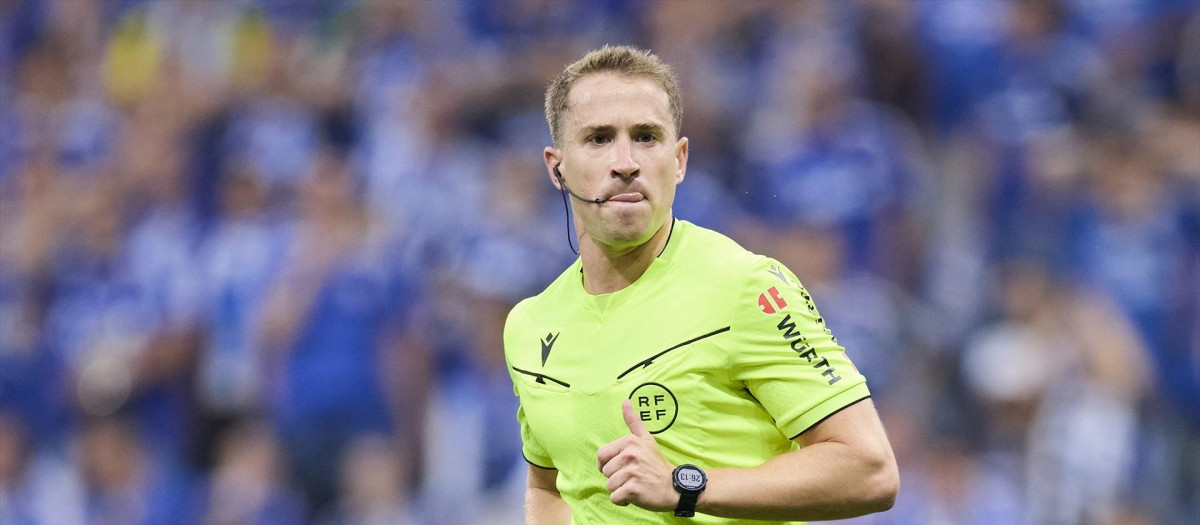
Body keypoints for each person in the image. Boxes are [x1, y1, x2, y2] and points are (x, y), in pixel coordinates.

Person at [503, 45, 899, 524]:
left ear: (680, 160)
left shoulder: (746, 287)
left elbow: (869, 470)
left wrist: (683, 485)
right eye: (599, 138)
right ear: (557, 167)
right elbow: (548, 486)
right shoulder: (529, 327)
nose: (625, 161)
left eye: (646, 137)